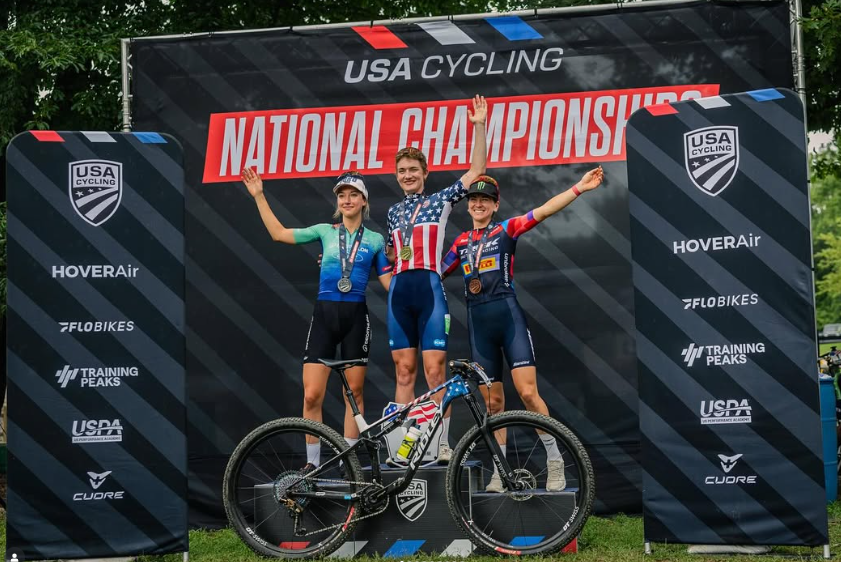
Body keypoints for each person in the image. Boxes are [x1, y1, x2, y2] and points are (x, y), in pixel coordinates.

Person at [441, 167, 605, 491]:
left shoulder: (506, 230)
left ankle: (555, 461)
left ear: (495, 205)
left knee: (529, 393)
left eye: (485, 200)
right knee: (492, 404)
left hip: (508, 318)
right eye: (474, 199)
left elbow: (543, 210)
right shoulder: (460, 243)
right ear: (468, 204)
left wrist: (579, 188)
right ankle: (499, 472)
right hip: (479, 327)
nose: (478, 204)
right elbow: (430, 272)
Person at [242, 168, 392, 470]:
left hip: (355, 319)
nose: (347, 199)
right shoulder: (325, 231)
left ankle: (348, 462)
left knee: (355, 394)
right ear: (337, 202)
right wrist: (259, 196)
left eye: (353, 194)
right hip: (324, 315)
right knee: (311, 395)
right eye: (342, 195)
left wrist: (415, 274)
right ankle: (312, 463)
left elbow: (390, 283)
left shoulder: (375, 240)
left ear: (364, 201)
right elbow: (279, 234)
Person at [386, 95, 488, 463]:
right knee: (404, 371)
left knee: (434, 372)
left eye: (413, 169)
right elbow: (393, 257)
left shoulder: (440, 201)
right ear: (396, 176)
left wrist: (478, 125)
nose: (408, 175)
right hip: (400, 292)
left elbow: (477, 171)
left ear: (424, 173)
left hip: (429, 290)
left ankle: (440, 444)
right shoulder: (392, 212)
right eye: (402, 171)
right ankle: (403, 447)